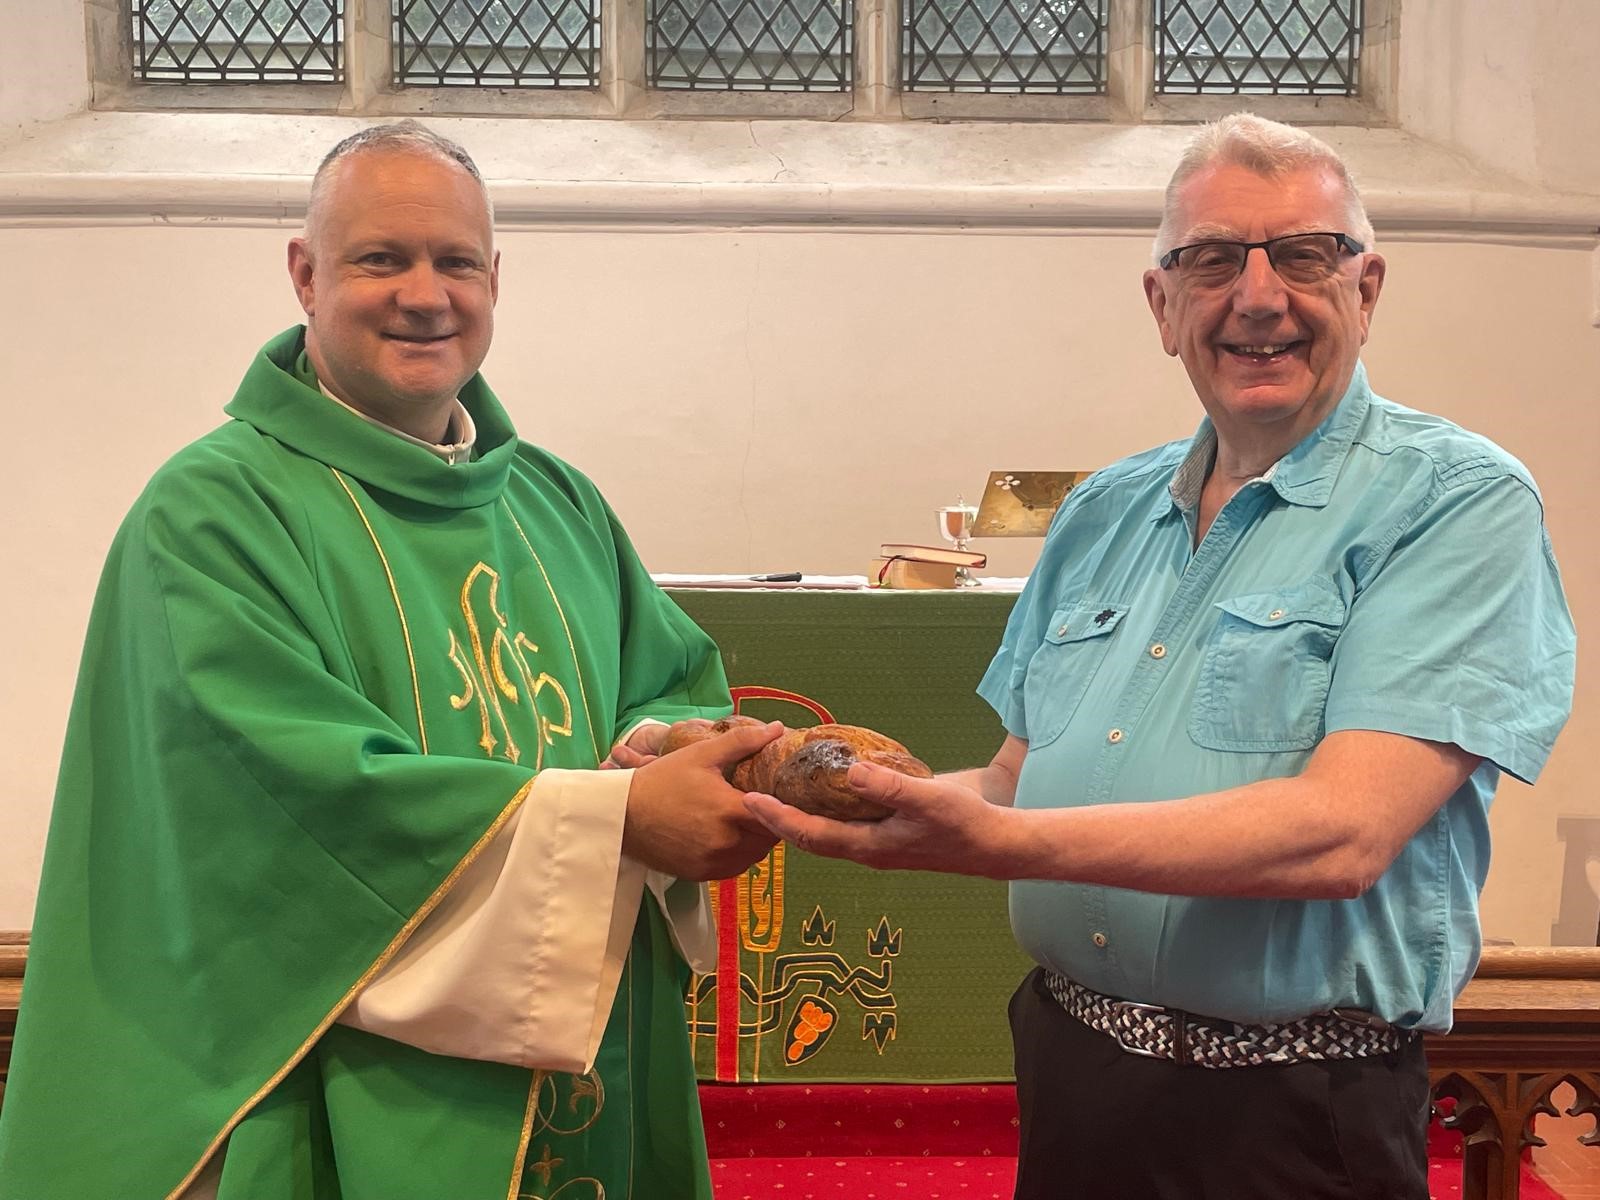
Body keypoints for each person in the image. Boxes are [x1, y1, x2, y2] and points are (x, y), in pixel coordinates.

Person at [744, 113, 1577, 1199]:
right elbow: (1012, 781)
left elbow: (1341, 837)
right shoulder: (1103, 511)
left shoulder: (1456, 503)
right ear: (1163, 304)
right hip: (1072, 1067)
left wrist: (995, 842)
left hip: (1293, 1112)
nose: (1259, 295)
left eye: (1304, 254)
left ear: (1365, 291)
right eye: (1213, 260)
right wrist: (806, 799)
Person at [0, 121, 781, 1200]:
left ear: (495, 280)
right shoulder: (215, 510)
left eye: (456, 261)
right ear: (304, 274)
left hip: (582, 1051)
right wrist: (619, 817)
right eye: (381, 259)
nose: (426, 294)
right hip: (337, 1070)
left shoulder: (555, 501)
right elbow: (275, 800)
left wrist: (660, 746)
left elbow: (664, 678)